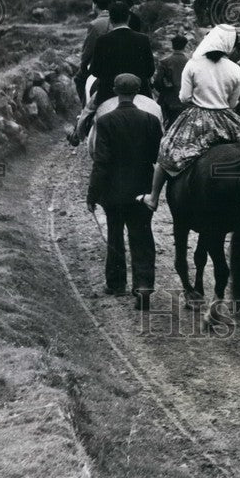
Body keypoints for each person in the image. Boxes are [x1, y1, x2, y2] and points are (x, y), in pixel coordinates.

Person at [140, 24, 240, 211]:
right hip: (227, 119)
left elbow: (184, 97)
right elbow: (232, 103)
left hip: (197, 116)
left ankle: (153, 197)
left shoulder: (193, 64)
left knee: (167, 150)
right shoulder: (235, 68)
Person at [86, 73, 162, 309]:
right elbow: (158, 157)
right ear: (138, 92)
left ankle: (116, 282)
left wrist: (92, 193)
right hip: (142, 189)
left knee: (115, 234)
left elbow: (101, 162)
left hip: (113, 191)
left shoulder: (105, 121)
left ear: (116, 92)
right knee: (142, 235)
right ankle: (143, 286)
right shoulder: (151, 120)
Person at [89, 0, 155, 105]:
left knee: (86, 116)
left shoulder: (102, 40)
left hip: (108, 94)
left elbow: (95, 71)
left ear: (110, 19)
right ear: (128, 18)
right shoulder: (143, 39)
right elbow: (150, 71)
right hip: (140, 92)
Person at [75, 0, 112, 102]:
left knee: (79, 79)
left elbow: (88, 49)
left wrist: (83, 64)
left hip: (101, 65)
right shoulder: (117, 19)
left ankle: (85, 110)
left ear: (95, 5)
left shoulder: (95, 24)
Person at [153, 34, 189, 128]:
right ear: (185, 46)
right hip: (185, 101)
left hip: (168, 99)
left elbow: (157, 82)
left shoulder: (165, 62)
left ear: (172, 46)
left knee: (167, 125)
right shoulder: (189, 63)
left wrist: (164, 91)